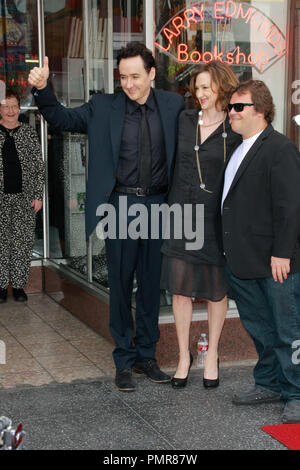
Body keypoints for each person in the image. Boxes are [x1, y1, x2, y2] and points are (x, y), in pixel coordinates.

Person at [28, 42, 184, 392]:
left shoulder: (174, 106)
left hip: (160, 205)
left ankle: (147, 354)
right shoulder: (103, 107)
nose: (128, 84)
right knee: (120, 283)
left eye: (135, 77)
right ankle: (124, 359)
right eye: (123, 77)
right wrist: (42, 90)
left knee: (150, 285)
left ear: (152, 74)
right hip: (121, 206)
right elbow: (61, 118)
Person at [222, 79, 300, 423]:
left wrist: (282, 252)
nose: (232, 113)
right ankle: (269, 383)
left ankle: (296, 392)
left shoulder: (280, 148)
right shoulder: (238, 148)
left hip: (276, 263)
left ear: (262, 110)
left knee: (288, 330)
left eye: (239, 107)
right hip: (242, 261)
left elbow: (290, 205)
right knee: (261, 328)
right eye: (230, 107)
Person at [160, 61, 241, 389]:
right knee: (180, 291)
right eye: (198, 87)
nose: (201, 93)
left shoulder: (235, 128)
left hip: (216, 221)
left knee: (215, 292)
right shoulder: (184, 120)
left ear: (222, 87)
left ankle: (212, 355)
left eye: (207, 87)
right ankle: (183, 356)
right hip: (181, 216)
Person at [0, 88, 44, 303]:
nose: (10, 110)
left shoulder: (28, 133)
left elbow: (38, 167)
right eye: (5, 106)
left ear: (19, 108)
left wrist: (38, 195)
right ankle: (0, 287)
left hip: (24, 199)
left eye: (14, 106)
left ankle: (18, 286)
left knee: (22, 243)